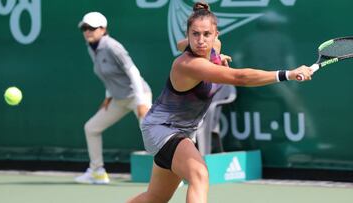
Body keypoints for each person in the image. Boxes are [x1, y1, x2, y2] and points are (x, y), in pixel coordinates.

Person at [127, 2, 313, 202]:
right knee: (199, 174)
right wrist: (288, 74)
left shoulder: (213, 48)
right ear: (188, 34)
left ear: (216, 35)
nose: (200, 41)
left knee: (155, 198)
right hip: (163, 128)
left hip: (183, 131)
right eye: (195, 34)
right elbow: (240, 78)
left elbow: (188, 44)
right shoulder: (188, 64)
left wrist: (214, 55)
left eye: (206, 34)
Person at [75, 12, 152, 184]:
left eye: (92, 28)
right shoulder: (91, 47)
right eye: (84, 28)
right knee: (91, 128)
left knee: (152, 135)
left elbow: (133, 72)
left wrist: (141, 102)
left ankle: (172, 175)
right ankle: (97, 172)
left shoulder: (113, 47)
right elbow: (109, 76)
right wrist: (108, 95)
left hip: (138, 95)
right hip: (118, 99)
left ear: (103, 29)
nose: (87, 32)